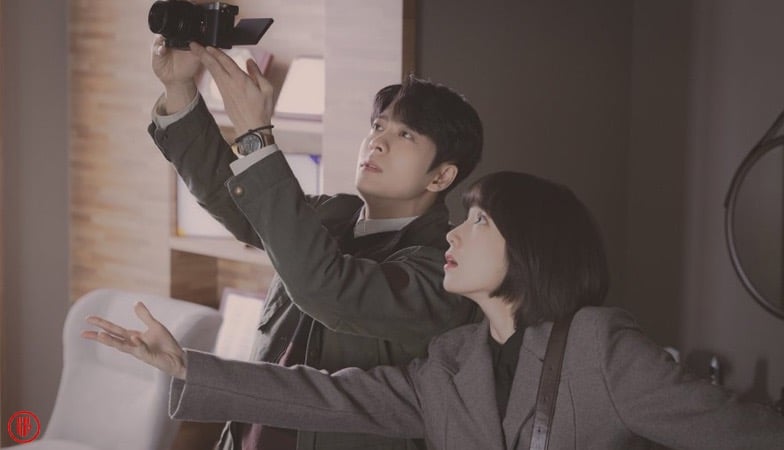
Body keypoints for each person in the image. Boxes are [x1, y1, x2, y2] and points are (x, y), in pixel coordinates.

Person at [84, 171, 784, 450]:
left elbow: (741, 434)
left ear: (531, 247)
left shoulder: (599, 348)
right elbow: (325, 398)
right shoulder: (451, 363)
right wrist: (188, 368)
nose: (453, 235)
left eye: (478, 222)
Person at [146, 36, 484, 450]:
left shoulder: (444, 271)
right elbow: (228, 194)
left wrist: (257, 136)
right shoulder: (331, 215)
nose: (378, 142)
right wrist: (179, 88)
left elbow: (326, 287)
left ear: (441, 176)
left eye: (406, 135)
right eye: (378, 126)